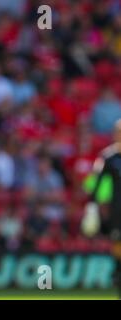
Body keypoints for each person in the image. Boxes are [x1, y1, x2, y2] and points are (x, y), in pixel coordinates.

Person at [85, 118, 121, 298]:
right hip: (117, 211)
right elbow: (96, 185)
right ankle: (118, 271)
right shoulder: (108, 157)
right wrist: (92, 208)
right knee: (118, 244)